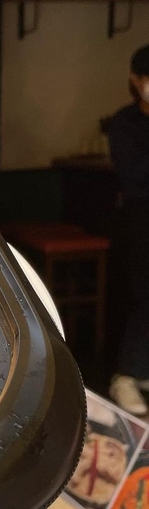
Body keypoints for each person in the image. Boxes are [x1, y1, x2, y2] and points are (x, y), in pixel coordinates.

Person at [107, 44, 149, 415]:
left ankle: (142, 371)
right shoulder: (124, 123)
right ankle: (126, 375)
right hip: (139, 216)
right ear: (135, 80)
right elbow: (133, 175)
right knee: (144, 293)